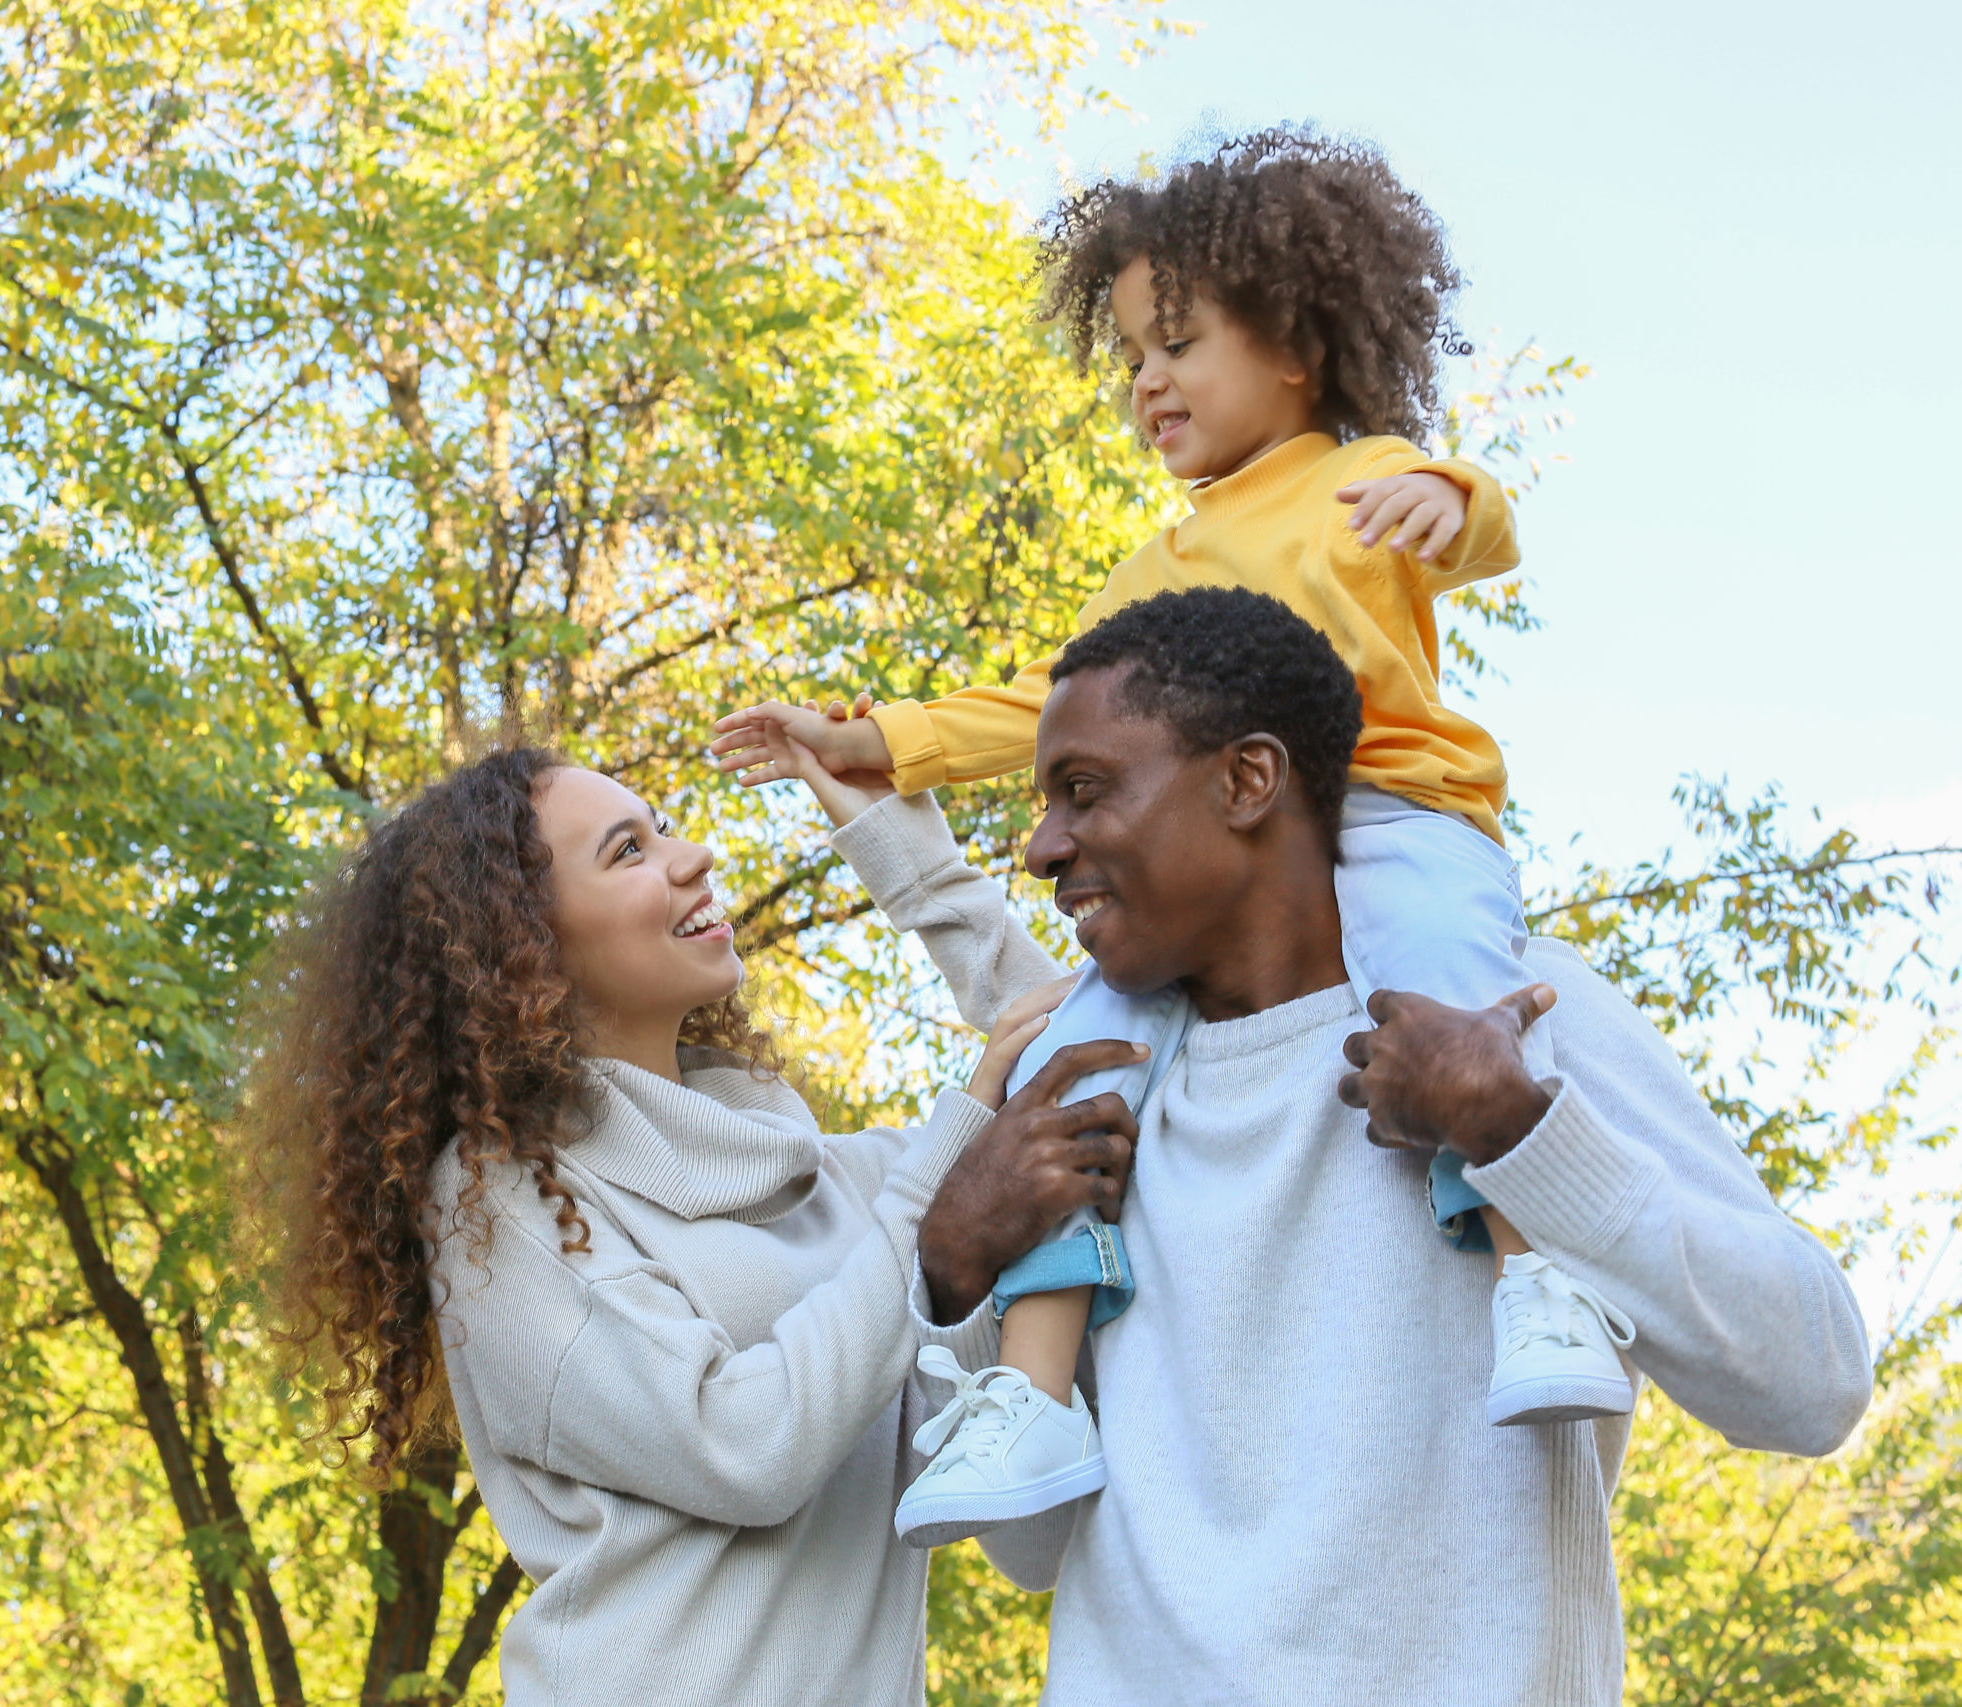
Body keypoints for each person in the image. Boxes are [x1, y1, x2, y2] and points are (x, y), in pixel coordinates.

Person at [710, 127, 1617, 1546]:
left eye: (1181, 343)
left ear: (1297, 350)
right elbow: (1048, 705)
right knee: (1078, 1053)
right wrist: (882, 740)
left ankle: (1537, 1273)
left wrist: (1447, 502)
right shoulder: (1161, 561)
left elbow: (1483, 523)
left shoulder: (1361, 476)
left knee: (1456, 992)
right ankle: (1032, 1382)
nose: (1147, 380)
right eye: (1133, 351)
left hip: (1393, 812)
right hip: (1235, 855)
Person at [755, 587, 1871, 1703]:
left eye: (1083, 792)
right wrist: (956, 1271)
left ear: (1247, 781)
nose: (1043, 848)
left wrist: (1515, 1131)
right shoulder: (1091, 1097)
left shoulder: (1519, 1022)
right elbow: (1031, 1549)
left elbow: (1810, 1383)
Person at [236, 746, 1140, 1707]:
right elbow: (744, 1446)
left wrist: (907, 856)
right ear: (523, 945)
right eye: (629, 850)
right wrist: (941, 1230)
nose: (694, 853)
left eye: (663, 825)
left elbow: (1092, 1061)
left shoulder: (852, 1189)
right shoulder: (503, 1206)